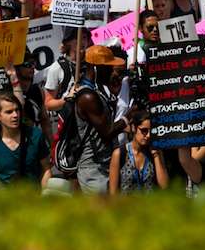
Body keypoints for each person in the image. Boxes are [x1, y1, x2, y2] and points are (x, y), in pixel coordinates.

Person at [71, 45, 127, 193]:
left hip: (105, 163)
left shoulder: (98, 90)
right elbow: (107, 131)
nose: (112, 71)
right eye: (108, 67)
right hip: (93, 168)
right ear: (96, 68)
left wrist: (114, 94)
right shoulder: (87, 96)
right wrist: (128, 118)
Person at [0, 92, 50, 186]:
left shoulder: (35, 135)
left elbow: (46, 169)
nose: (15, 115)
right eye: (9, 112)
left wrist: (44, 194)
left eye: (17, 110)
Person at [109, 108, 169, 194]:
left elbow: (164, 186)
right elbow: (113, 192)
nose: (148, 135)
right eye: (144, 131)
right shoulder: (120, 153)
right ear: (134, 127)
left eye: (151, 131)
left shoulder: (155, 152)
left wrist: (156, 156)